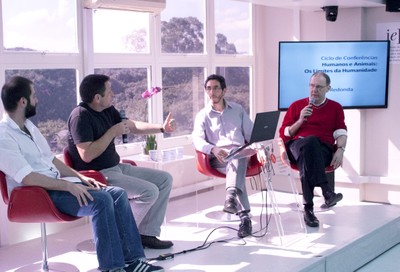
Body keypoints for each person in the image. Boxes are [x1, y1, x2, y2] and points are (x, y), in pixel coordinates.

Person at [0, 76, 164, 272]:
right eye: (34, 96)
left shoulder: (29, 127)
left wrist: (79, 177)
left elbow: (51, 160)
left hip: (56, 184)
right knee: (102, 200)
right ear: (23, 101)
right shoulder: (4, 136)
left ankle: (134, 261)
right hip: (36, 193)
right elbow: (28, 178)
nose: (38, 100)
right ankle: (112, 267)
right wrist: (69, 185)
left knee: (118, 193)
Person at [67, 74, 175, 249]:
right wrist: (112, 132)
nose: (113, 95)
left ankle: (146, 234)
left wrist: (162, 128)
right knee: (150, 191)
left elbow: (131, 126)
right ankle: (122, 236)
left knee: (165, 179)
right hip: (97, 175)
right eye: (109, 91)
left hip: (116, 167)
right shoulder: (80, 116)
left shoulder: (107, 109)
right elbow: (86, 155)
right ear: (97, 98)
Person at [279, 71, 347, 228]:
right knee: (309, 142)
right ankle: (326, 191)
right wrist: (301, 120)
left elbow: (341, 132)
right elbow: (285, 133)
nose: (314, 90)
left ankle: (308, 209)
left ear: (328, 88)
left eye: (319, 87)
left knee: (310, 150)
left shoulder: (335, 107)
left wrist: (341, 149)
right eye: (311, 85)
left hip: (322, 149)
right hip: (296, 146)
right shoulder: (297, 105)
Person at [192, 74, 254, 238]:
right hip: (217, 158)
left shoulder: (238, 110)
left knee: (237, 157)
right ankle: (242, 214)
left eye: (216, 88)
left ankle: (232, 199)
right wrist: (212, 149)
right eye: (208, 88)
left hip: (238, 155)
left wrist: (259, 148)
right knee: (237, 163)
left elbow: (251, 133)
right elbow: (197, 140)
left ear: (224, 90)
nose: (212, 92)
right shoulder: (202, 115)